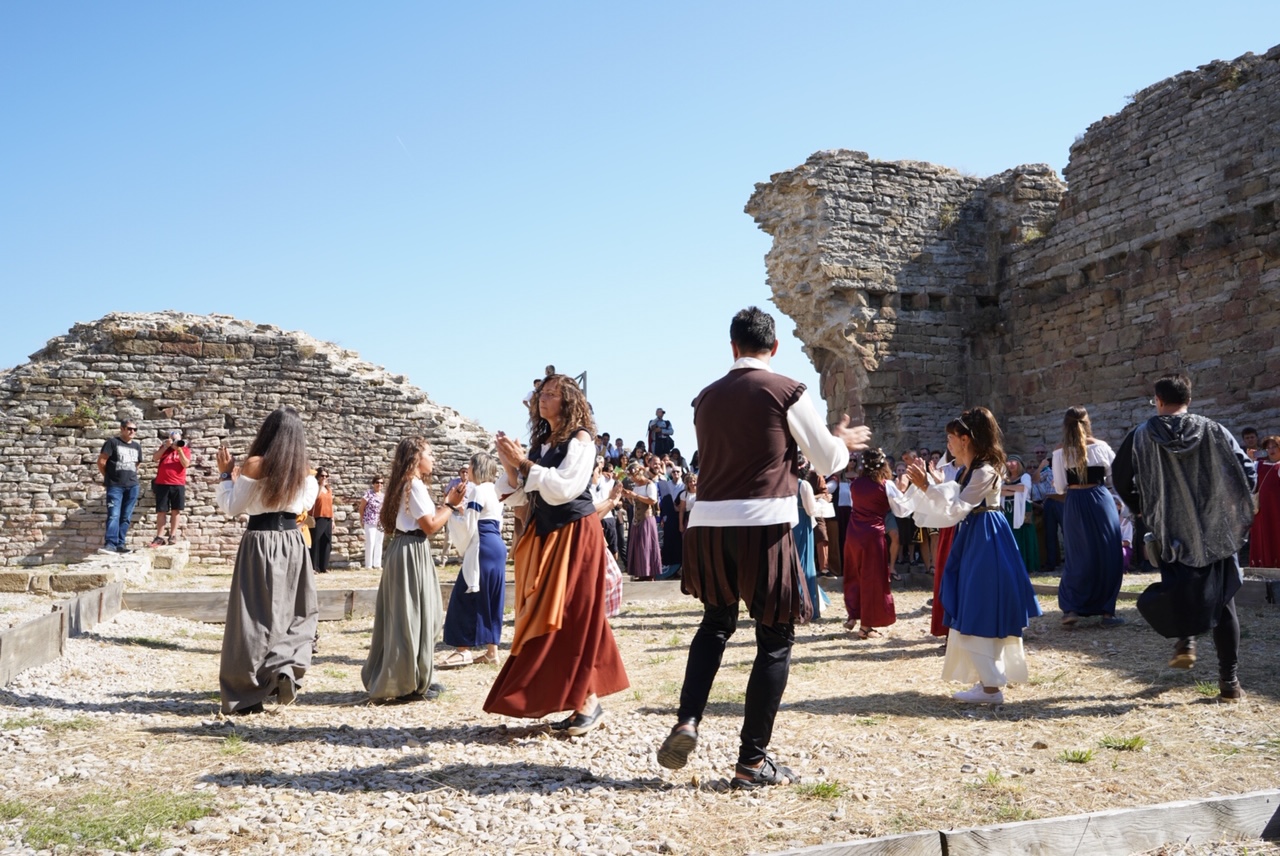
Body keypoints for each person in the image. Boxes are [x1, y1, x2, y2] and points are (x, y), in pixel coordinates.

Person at [656, 306, 870, 788]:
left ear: (732, 346)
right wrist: (839, 438)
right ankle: (751, 762)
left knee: (715, 624)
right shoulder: (786, 389)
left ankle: (687, 720)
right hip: (763, 523)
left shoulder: (704, 398)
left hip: (708, 525)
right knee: (774, 639)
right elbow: (827, 460)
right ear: (774, 347)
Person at [485, 374, 629, 735]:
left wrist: (524, 464)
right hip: (547, 534)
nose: (543, 399)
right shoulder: (542, 445)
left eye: (551, 394)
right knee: (559, 614)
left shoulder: (581, 440)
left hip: (576, 534)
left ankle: (587, 702)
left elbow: (564, 488)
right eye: (541, 393)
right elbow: (522, 495)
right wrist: (510, 463)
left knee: (572, 613)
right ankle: (586, 700)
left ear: (568, 402)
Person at [1114, 374, 1255, 702]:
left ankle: (1185, 641)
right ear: (1188, 400)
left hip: (1170, 530)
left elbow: (1120, 477)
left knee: (1180, 588)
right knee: (1224, 604)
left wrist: (1142, 508)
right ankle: (1229, 683)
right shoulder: (1214, 430)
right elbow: (1246, 471)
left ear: (1159, 401)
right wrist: (1229, 503)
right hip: (1215, 529)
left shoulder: (1140, 435)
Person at [902, 407, 1043, 704]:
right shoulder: (968, 469)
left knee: (980, 603)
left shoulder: (985, 470)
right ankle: (986, 681)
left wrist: (927, 485)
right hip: (972, 536)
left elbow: (958, 507)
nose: (948, 444)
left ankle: (991, 687)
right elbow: (952, 496)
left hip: (987, 539)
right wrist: (927, 485)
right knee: (972, 602)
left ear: (965, 439)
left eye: (951, 438)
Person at [214, 406, 319, 714]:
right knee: (296, 612)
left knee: (253, 616)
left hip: (260, 542)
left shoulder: (255, 464)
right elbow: (306, 503)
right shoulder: (304, 472)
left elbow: (232, 507)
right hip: (293, 542)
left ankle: (245, 693)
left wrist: (226, 475)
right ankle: (285, 667)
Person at [362, 437, 464, 702]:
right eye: (429, 453)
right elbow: (429, 526)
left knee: (412, 615)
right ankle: (407, 684)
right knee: (412, 616)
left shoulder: (405, 484)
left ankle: (414, 678)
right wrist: (450, 505)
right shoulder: (414, 485)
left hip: (406, 549)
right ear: (417, 458)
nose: (433, 458)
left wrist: (447, 505)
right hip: (411, 551)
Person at [1054, 406, 1124, 627]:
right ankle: (1107, 613)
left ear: (1065, 425)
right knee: (1108, 553)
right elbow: (1115, 476)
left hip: (1075, 501)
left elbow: (1059, 487)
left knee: (1077, 555)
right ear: (1087, 423)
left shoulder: (1060, 452)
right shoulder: (1101, 446)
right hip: (1100, 499)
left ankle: (1072, 608)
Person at [439, 452, 506, 669]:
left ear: (477, 468)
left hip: (482, 545)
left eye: (469, 465)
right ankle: (492, 652)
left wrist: (452, 511)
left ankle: (463, 650)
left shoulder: (477, 490)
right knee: (492, 597)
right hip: (497, 546)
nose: (467, 469)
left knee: (464, 595)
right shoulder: (496, 490)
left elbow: (470, 524)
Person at [843, 448, 896, 638]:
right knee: (872, 577)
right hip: (873, 535)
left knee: (853, 573)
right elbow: (901, 509)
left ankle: (853, 615)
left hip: (853, 533)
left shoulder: (855, 484)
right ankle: (866, 626)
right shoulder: (886, 485)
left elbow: (855, 506)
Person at [97, 419, 142, 555]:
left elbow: (137, 464)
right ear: (122, 429)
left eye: (134, 429)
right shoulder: (112, 442)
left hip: (132, 486)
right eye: (129, 428)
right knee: (114, 515)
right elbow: (101, 461)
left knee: (126, 517)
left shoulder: (136, 446)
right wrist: (109, 477)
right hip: (115, 486)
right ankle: (110, 544)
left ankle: (120, 544)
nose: (132, 431)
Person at [149, 429, 191, 547]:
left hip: (178, 483)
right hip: (162, 483)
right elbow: (155, 458)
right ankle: (159, 537)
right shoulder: (165, 449)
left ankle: (172, 535)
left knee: (176, 510)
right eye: (173, 439)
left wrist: (179, 450)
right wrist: (165, 446)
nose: (175, 442)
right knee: (161, 511)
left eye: (177, 439)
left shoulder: (185, 450)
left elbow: (186, 464)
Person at [1001, 456, 1040, 574]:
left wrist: (1007, 488)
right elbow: (999, 491)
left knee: (1025, 532)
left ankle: (1027, 564)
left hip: (1024, 509)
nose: (1011, 464)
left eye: (1014, 461)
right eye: (1009, 462)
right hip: (1008, 510)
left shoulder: (1025, 476)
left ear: (1019, 464)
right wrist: (1013, 489)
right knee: (1010, 534)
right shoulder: (1004, 478)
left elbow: (1023, 488)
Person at [622, 462, 660, 580]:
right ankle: (641, 572)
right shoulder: (636, 486)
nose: (632, 479)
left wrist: (635, 496)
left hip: (646, 518)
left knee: (646, 545)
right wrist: (628, 496)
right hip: (636, 519)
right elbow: (634, 503)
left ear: (639, 473)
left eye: (633, 476)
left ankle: (649, 573)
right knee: (638, 546)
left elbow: (652, 501)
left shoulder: (650, 484)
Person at [1249, 436, 1280, 568]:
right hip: (1262, 510)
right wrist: (1250, 460)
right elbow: (1250, 482)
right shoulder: (1259, 465)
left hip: (1277, 509)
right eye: (1268, 447)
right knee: (1263, 535)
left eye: (1274, 446)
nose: (1271, 450)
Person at [356, 476, 385, 569]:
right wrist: (362, 518)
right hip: (370, 520)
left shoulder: (383, 496)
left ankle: (377, 564)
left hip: (380, 522)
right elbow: (361, 507)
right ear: (373, 484)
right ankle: (368, 565)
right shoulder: (368, 494)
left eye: (381, 483)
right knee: (370, 542)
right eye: (377, 482)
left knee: (379, 542)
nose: (379, 484)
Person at [309, 467, 334, 573]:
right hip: (317, 517)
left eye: (326, 476)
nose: (324, 478)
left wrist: (333, 520)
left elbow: (331, 505)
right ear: (318, 476)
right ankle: (314, 566)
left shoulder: (329, 489)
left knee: (326, 541)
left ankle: (323, 566)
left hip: (328, 517)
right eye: (322, 475)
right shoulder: (314, 488)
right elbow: (315, 498)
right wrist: (320, 486)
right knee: (315, 541)